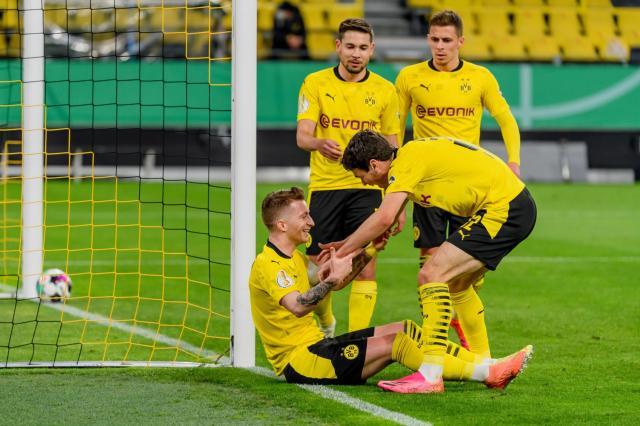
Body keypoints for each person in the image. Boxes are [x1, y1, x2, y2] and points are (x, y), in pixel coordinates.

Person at [250, 187, 531, 389]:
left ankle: (489, 364)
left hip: (318, 347)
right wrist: (329, 280)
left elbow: (335, 282)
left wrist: (370, 250)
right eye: (304, 217)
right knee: (397, 343)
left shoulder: (296, 259)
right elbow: (298, 306)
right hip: (301, 361)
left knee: (406, 328)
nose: (311, 223)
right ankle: (487, 373)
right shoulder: (268, 264)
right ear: (282, 224)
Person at [321, 130, 536, 393]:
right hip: (510, 204)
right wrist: (350, 244)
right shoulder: (407, 158)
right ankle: (488, 366)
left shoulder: (405, 163)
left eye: (361, 176)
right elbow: (388, 217)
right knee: (457, 286)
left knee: (431, 274)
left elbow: (384, 218)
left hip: (503, 209)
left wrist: (342, 253)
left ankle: (431, 375)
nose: (365, 183)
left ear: (374, 165)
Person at [395, 10, 522, 355]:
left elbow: (506, 120)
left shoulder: (480, 77)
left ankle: (463, 331)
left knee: (468, 273)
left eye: (447, 40)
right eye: (435, 39)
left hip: (469, 187)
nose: (440, 46)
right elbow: (395, 129)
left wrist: (513, 161)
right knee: (430, 258)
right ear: (428, 39)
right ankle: (438, 334)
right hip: (427, 186)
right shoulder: (409, 77)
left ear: (460, 42)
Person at [296, 18, 401, 334]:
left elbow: (394, 151)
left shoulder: (385, 90)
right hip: (325, 186)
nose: (356, 53)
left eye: (363, 48)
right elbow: (303, 137)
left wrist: (397, 201)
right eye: (351, 46)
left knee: (364, 265)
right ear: (338, 47)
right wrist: (318, 143)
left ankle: (356, 342)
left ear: (372, 50)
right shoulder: (315, 83)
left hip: (367, 188)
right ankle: (326, 321)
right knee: (317, 266)